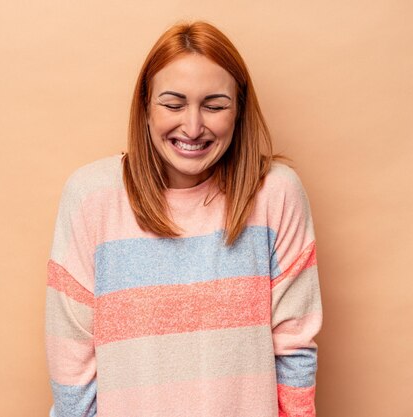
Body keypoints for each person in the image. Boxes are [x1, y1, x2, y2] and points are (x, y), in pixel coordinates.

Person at [44, 21, 322, 417]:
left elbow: (294, 348)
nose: (192, 127)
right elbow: (70, 361)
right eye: (173, 104)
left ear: (239, 109)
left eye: (214, 105)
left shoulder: (276, 194)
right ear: (145, 106)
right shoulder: (92, 197)